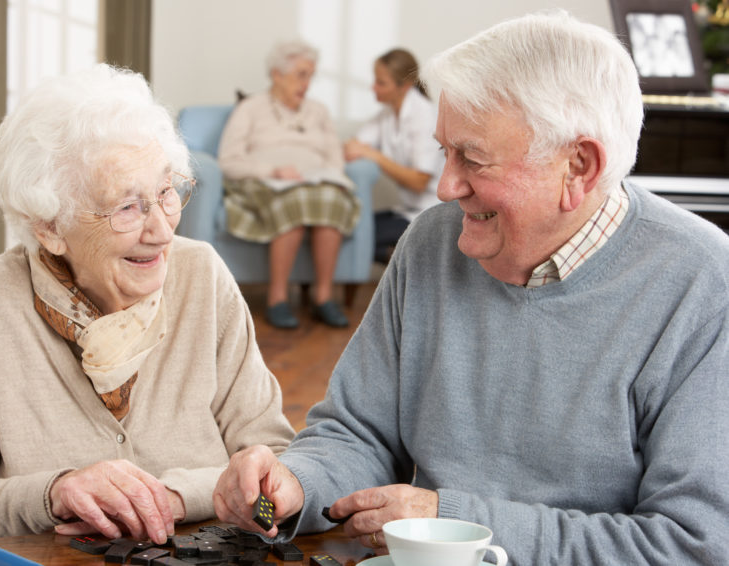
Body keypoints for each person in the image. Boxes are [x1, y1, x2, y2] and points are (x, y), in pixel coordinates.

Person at [213, 11, 729, 566]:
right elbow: (358, 433)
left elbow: (693, 545)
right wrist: (296, 483)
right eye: (445, 152)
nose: (444, 187)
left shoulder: (705, 284)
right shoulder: (432, 241)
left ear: (578, 166)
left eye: (473, 159)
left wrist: (456, 522)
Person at [0, 64, 295, 541]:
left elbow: (275, 464)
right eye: (126, 207)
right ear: (49, 226)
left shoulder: (203, 277)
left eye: (166, 192)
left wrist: (172, 499)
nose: (162, 230)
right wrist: (54, 493)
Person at [218, 40, 360, 329]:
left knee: (331, 199)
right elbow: (229, 161)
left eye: (311, 75)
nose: (307, 83)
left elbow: (335, 159)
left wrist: (330, 177)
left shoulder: (319, 111)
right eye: (301, 74)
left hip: (315, 181)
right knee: (293, 201)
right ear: (277, 75)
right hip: (266, 181)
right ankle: (277, 298)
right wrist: (273, 170)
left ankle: (323, 298)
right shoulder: (250, 108)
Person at [343, 48, 443, 263]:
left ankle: (403, 261)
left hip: (433, 211)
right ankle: (400, 260)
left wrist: (374, 156)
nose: (373, 87)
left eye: (381, 82)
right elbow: (354, 146)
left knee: (360, 236)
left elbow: (418, 181)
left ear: (404, 86)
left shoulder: (424, 116)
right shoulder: (388, 114)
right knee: (349, 226)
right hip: (408, 210)